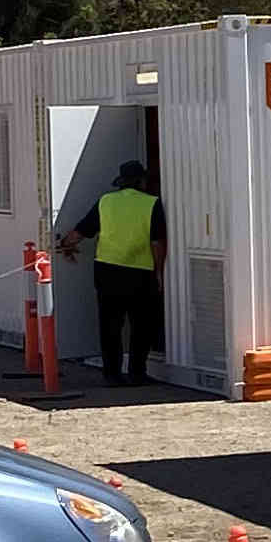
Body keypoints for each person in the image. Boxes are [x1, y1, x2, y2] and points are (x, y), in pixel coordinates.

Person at [60, 161, 168, 386]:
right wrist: (159, 271)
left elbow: (80, 232)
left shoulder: (105, 202)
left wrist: (65, 245)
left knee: (110, 325)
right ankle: (137, 373)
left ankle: (112, 374)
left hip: (107, 270)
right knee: (141, 325)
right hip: (140, 271)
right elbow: (157, 242)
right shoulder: (151, 204)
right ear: (142, 181)